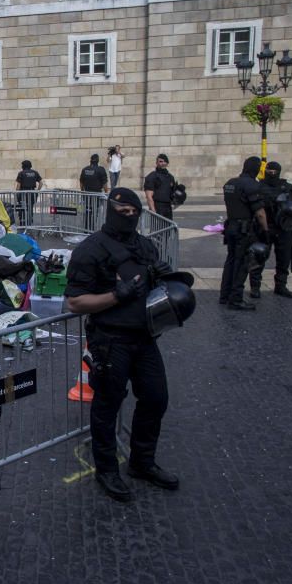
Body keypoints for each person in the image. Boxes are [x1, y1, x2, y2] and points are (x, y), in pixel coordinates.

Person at [64, 187, 179, 502]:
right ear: (111, 211)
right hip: (109, 340)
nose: (129, 217)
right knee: (107, 406)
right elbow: (75, 303)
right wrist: (116, 295)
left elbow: (152, 289)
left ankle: (142, 462)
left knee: (156, 399)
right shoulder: (90, 250)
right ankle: (107, 469)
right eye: (123, 212)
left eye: (134, 212)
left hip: (144, 338)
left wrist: (163, 279)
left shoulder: (145, 246)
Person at [219, 156, 270, 310]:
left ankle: (225, 295)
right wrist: (266, 230)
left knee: (231, 261)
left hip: (231, 227)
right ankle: (236, 299)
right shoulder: (252, 185)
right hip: (244, 229)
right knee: (242, 264)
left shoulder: (230, 183)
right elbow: (260, 212)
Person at [249, 161, 292, 299]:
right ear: (266, 171)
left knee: (284, 259)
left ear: (279, 172)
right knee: (258, 257)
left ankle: (281, 286)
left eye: (274, 171)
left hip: (283, 229)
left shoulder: (287, 187)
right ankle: (255, 287)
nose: (272, 174)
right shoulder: (258, 187)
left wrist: (289, 210)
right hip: (263, 228)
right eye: (270, 171)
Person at [143, 154, 177, 219]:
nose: (163, 163)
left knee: (168, 228)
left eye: (165, 161)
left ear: (167, 163)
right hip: (157, 206)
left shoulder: (170, 177)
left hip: (168, 207)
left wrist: (180, 194)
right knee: (157, 228)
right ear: (156, 163)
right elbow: (149, 196)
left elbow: (173, 195)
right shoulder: (152, 176)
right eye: (160, 161)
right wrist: (153, 210)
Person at [14, 160, 43, 226]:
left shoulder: (21, 173)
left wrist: (16, 193)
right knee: (30, 207)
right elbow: (41, 183)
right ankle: (30, 221)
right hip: (32, 192)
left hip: (23, 193)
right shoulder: (35, 172)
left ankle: (22, 221)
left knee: (22, 207)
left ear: (23, 166)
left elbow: (18, 185)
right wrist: (37, 191)